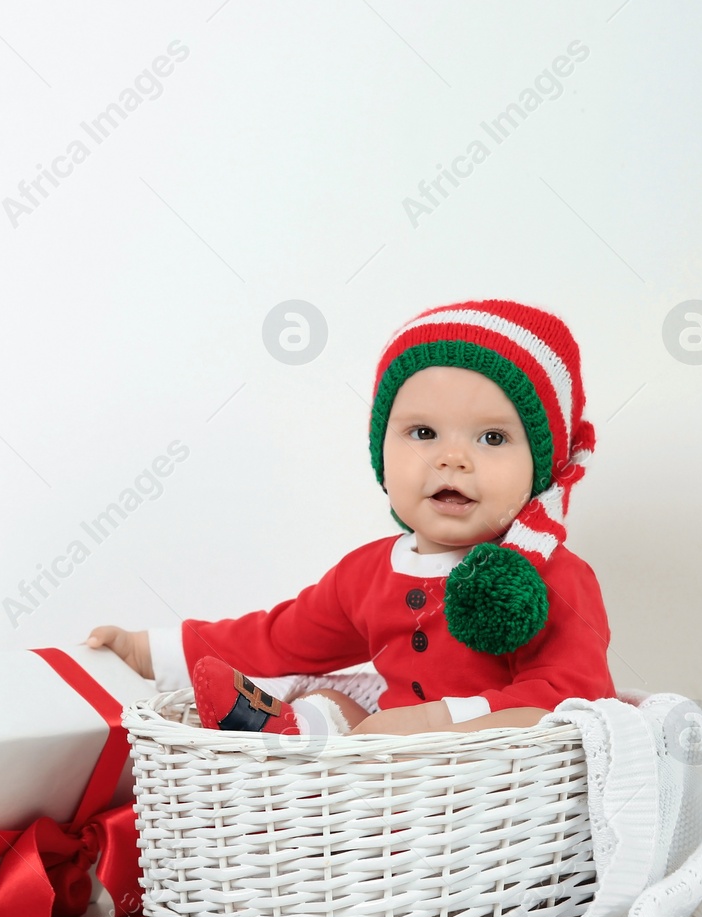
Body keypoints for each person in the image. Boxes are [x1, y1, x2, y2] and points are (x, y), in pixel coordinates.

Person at [87, 298, 616, 736]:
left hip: (492, 794)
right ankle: (292, 740)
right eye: (424, 433)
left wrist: (435, 721)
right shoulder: (367, 575)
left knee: (543, 714)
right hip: (372, 799)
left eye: (493, 437)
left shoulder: (552, 579)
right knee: (327, 697)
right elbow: (278, 638)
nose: (453, 458)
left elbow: (576, 698)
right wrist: (146, 650)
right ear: (381, 453)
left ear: (541, 467)